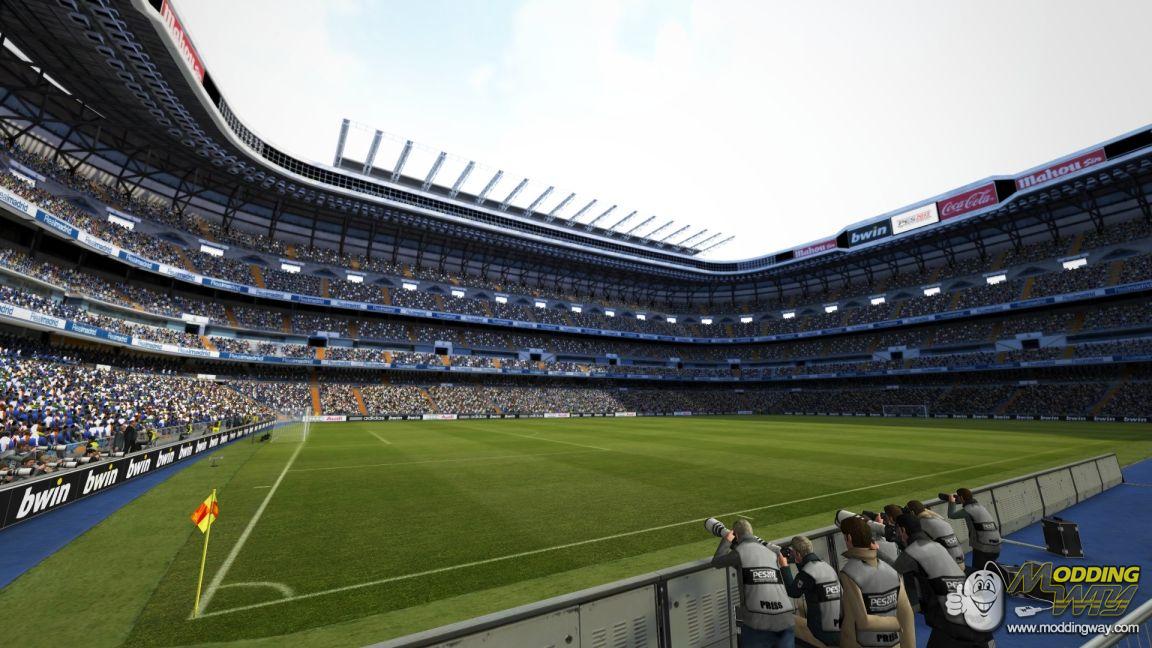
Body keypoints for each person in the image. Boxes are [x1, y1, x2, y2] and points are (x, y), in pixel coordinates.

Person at [892, 514, 994, 648]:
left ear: (903, 531)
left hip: (955, 626)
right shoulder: (938, 546)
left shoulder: (910, 553)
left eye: (896, 530)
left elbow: (889, 577)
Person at [712, 518, 796, 647]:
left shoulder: (740, 552)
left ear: (736, 535)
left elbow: (717, 561)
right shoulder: (771, 553)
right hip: (786, 619)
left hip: (758, 622)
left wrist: (727, 540)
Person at [837, 516, 915, 648]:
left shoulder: (849, 572)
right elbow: (907, 614)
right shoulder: (892, 571)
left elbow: (860, 623)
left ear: (849, 538)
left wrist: (897, 623)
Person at [780, 535, 840, 647]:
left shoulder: (807, 572)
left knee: (785, 623)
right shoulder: (827, 567)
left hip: (821, 631)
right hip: (838, 626)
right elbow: (807, 579)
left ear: (798, 554)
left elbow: (793, 592)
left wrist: (784, 566)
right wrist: (797, 560)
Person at [947, 489, 1001, 572]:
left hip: (983, 548)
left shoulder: (968, 510)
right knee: (990, 570)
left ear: (961, 498)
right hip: (996, 546)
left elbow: (951, 515)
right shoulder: (980, 507)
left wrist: (951, 502)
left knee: (977, 572)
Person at [907, 500, 965, 569]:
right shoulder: (938, 519)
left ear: (912, 512)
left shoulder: (922, 523)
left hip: (950, 567)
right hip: (961, 560)